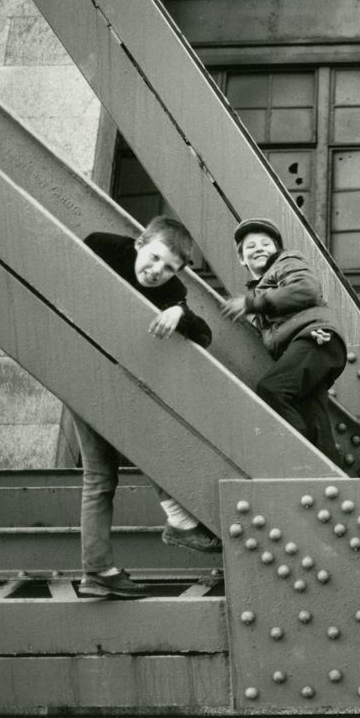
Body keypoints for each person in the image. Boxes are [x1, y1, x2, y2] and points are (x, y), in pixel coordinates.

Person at [76, 216, 221, 599]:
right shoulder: (104, 245)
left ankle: (98, 571)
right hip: (83, 371)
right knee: (103, 475)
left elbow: (204, 335)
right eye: (155, 257)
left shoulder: (172, 291)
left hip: (116, 380)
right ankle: (177, 520)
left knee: (102, 476)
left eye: (170, 268)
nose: (156, 271)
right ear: (140, 243)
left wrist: (180, 312)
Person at [220, 218, 345, 466]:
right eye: (250, 246)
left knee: (272, 390)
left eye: (266, 244)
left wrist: (250, 304)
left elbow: (306, 288)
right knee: (312, 415)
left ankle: (301, 460)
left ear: (276, 250)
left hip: (314, 337)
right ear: (242, 259)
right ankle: (330, 470)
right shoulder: (258, 291)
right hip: (309, 346)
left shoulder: (286, 262)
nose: (258, 248)